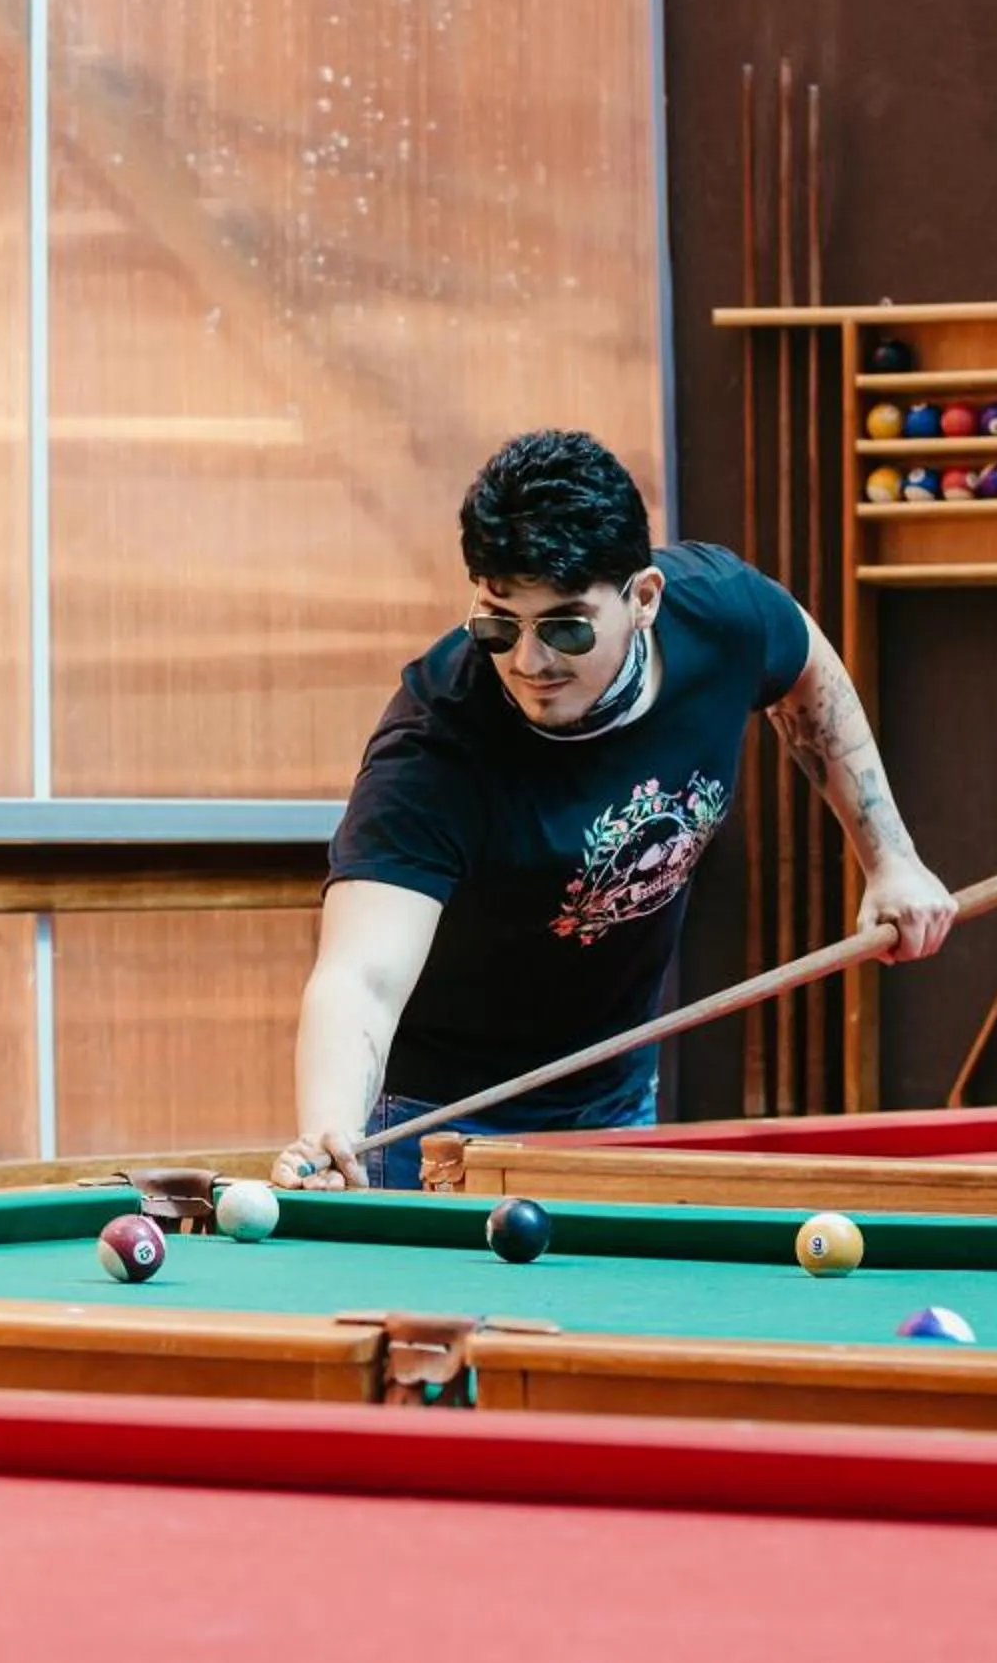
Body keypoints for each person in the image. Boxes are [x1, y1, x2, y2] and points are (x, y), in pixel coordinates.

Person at [275, 430, 956, 1192]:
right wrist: (330, 1131)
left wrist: (890, 858)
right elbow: (360, 977)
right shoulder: (436, 745)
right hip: (436, 1123)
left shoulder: (722, 615)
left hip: (615, 1096)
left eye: (565, 626)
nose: (530, 662)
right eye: (499, 624)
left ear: (643, 600)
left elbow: (803, 662)